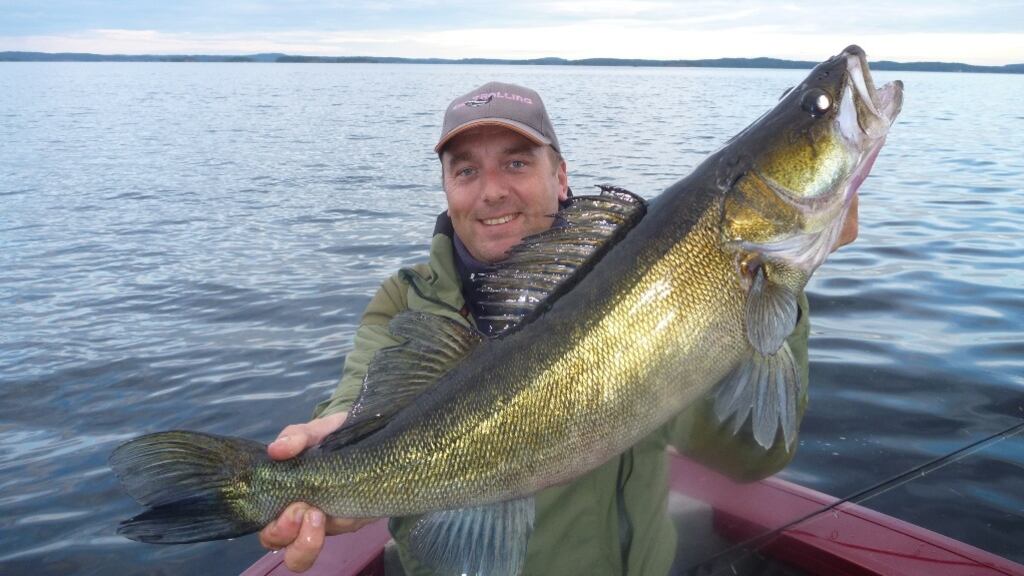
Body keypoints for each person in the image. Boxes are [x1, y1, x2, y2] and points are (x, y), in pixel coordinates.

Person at [257, 81, 858, 574]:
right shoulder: (407, 304)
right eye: (465, 171)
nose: (492, 191)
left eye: (517, 162)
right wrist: (334, 451)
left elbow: (752, 457)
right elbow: (358, 397)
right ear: (447, 190)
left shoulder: (651, 286)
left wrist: (777, 290)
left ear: (562, 176)